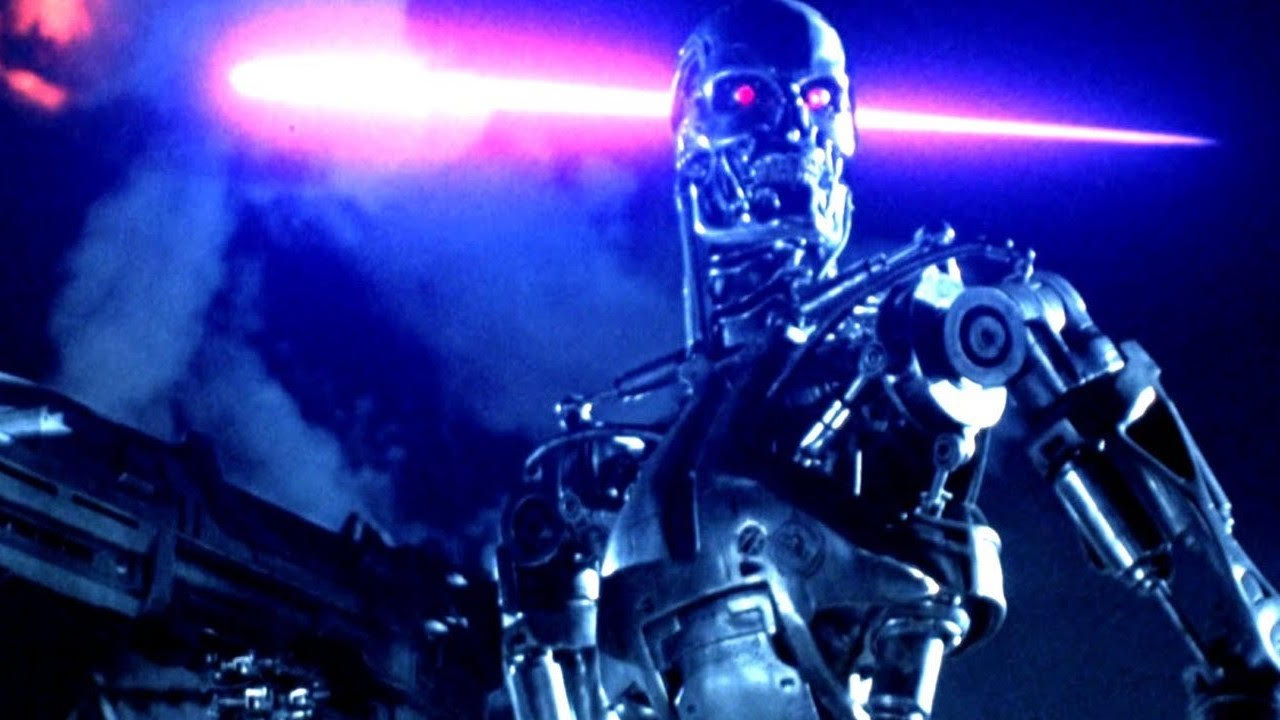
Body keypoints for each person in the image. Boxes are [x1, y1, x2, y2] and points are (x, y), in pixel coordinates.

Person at [496, 2, 1280, 718]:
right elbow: (542, 665)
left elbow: (1111, 426)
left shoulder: (917, 332)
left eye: (818, 101)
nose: (793, 130)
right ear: (693, 132)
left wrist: (1252, 669)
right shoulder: (602, 474)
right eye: (748, 96)